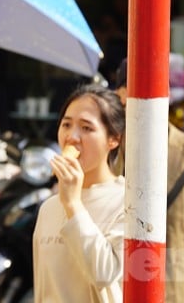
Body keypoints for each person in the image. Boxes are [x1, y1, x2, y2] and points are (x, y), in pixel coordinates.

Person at [113, 63, 184, 303]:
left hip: (170, 291)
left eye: (159, 86)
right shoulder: (107, 149)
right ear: (120, 95)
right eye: (139, 86)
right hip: (113, 287)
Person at [33, 84, 125, 303]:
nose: (72, 137)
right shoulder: (49, 208)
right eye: (66, 124)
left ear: (113, 139)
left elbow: (105, 274)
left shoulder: (127, 202)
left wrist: (73, 205)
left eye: (86, 128)